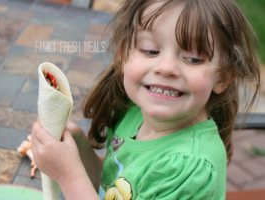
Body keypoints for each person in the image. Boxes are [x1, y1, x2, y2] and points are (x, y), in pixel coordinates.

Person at [31, 0, 261, 199]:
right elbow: (114, 185)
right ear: (123, 56)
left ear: (223, 77)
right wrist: (80, 149)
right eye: (151, 50)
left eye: (192, 58)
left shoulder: (187, 168)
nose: (166, 67)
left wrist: (69, 174)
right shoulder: (132, 111)